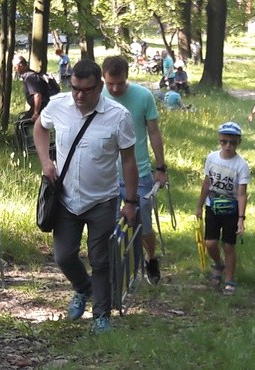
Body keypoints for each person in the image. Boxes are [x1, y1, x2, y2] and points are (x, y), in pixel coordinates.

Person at [32, 60, 138, 333]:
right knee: (64, 256)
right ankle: (83, 287)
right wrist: (46, 162)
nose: (79, 96)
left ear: (99, 87)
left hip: (103, 198)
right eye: (75, 88)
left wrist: (130, 201)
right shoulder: (57, 105)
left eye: (86, 90)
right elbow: (40, 128)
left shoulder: (118, 115)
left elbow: (128, 161)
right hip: (67, 198)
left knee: (100, 259)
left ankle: (102, 315)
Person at [101, 55, 168, 285]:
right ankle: (112, 269)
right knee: (106, 224)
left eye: (120, 83)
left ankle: (150, 258)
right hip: (107, 173)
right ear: (104, 79)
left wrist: (160, 167)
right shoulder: (97, 97)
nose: (116, 88)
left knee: (144, 224)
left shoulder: (143, 96)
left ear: (127, 77)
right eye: (111, 83)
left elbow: (154, 133)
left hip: (138, 171)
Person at [195, 122, 248, 295]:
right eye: (224, 141)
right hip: (212, 206)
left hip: (231, 211)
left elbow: (241, 194)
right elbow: (207, 183)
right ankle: (218, 263)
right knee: (210, 243)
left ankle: (229, 279)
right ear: (219, 140)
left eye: (232, 142)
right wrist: (199, 206)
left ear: (238, 143)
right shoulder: (212, 158)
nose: (228, 146)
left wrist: (241, 219)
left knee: (229, 246)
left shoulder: (241, 165)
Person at [13, 55, 50, 122]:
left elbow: (37, 95)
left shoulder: (30, 77)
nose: (14, 70)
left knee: (22, 124)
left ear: (20, 65)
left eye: (15, 67)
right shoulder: (29, 75)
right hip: (40, 107)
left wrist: (36, 113)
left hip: (42, 108)